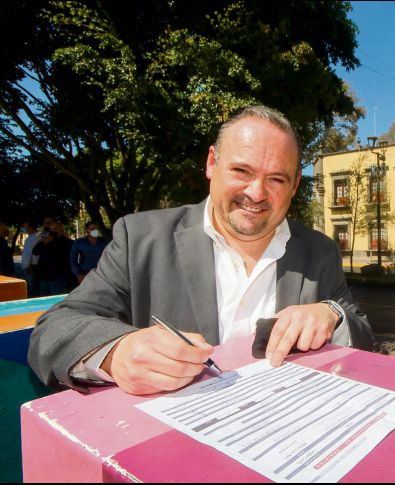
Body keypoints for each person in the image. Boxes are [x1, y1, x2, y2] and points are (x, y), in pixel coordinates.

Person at [28, 105, 374, 395]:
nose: (256, 193)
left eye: (276, 179)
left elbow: (363, 335)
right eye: (241, 170)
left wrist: (332, 314)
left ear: (296, 184)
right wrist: (116, 354)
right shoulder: (141, 239)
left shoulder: (320, 251)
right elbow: (53, 330)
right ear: (212, 163)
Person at [31, 221, 73, 296]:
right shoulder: (46, 240)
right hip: (44, 275)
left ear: (62, 230)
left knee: (57, 298)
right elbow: (35, 252)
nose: (53, 231)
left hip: (57, 276)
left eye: (56, 229)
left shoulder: (68, 242)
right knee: (44, 299)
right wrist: (44, 242)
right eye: (51, 230)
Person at [20, 221, 41, 296]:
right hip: (25, 266)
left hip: (30, 267)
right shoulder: (29, 237)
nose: (24, 229)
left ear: (31, 227)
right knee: (29, 286)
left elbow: (34, 253)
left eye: (25, 227)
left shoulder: (37, 237)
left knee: (33, 287)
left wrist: (30, 266)